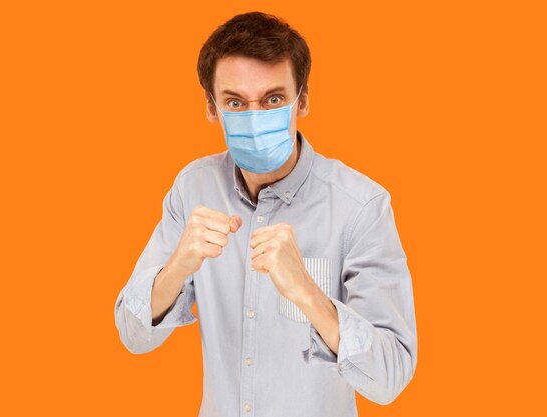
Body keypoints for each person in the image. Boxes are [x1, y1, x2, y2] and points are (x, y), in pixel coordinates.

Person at [114, 11, 417, 417]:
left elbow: (391, 377)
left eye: (273, 99)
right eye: (235, 102)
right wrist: (176, 268)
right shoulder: (193, 189)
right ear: (211, 107)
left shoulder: (361, 206)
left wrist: (308, 293)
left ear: (302, 99)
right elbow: (133, 336)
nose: (254, 117)